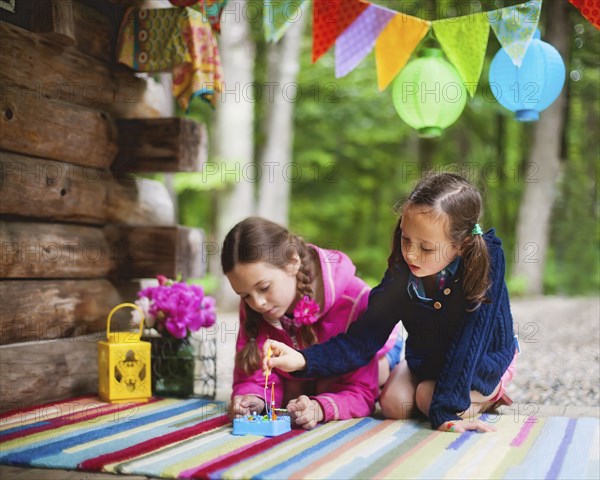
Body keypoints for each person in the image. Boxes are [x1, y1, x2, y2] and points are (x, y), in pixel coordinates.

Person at [264, 173, 518, 433]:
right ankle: (435, 391)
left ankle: (491, 395)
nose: (410, 253)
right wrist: (303, 360)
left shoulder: (486, 262)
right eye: (405, 239)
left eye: (426, 248)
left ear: (461, 245)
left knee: (427, 398)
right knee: (394, 405)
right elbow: (361, 340)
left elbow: (469, 343)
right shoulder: (403, 271)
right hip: (430, 361)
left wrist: (446, 412)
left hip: (480, 361)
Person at [221, 217, 402, 430]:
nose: (258, 303)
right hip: (305, 357)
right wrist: (253, 398)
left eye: (264, 287)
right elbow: (253, 374)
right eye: (245, 295)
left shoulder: (355, 301)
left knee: (373, 375)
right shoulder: (256, 305)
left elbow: (360, 392)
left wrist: (319, 407)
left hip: (376, 345)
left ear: (292, 262)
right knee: (293, 391)